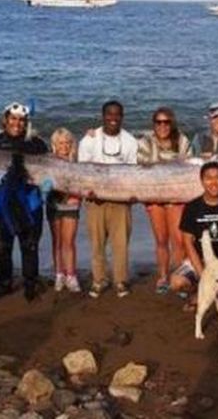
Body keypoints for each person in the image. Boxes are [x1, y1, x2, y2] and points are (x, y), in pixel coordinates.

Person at [0, 102, 49, 301]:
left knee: (30, 245)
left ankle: (30, 283)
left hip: (28, 201)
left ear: (26, 122)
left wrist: (45, 187)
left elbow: (48, 175)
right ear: (5, 120)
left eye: (21, 120)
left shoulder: (37, 144)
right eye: (13, 119)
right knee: (0, 247)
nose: (17, 123)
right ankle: (4, 283)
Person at [170, 161, 218, 309]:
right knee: (177, 282)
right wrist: (203, 276)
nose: (213, 182)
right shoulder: (192, 207)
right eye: (208, 178)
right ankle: (198, 292)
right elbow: (188, 242)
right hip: (201, 261)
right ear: (202, 181)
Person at [78, 100, 138, 298]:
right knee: (97, 243)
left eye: (117, 114)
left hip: (121, 200)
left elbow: (133, 172)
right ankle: (99, 279)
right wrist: (88, 190)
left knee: (120, 244)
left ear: (122, 117)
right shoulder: (89, 139)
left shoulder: (130, 141)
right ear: (103, 116)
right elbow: (82, 169)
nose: (113, 118)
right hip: (95, 200)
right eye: (109, 114)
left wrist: (132, 194)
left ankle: (120, 280)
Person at [137, 107, 192, 294]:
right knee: (161, 239)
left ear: (172, 123)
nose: (163, 126)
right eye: (158, 122)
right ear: (154, 124)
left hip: (176, 196)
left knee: (179, 240)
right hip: (154, 196)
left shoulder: (182, 141)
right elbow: (141, 169)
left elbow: (189, 167)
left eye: (166, 122)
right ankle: (162, 276)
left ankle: (179, 277)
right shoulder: (145, 142)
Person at [47, 128, 81, 293]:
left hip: (72, 204)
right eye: (61, 143)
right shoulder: (48, 161)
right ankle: (59, 274)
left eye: (68, 142)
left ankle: (71, 275)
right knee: (57, 241)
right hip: (53, 204)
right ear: (54, 144)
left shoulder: (76, 163)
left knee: (69, 242)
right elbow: (44, 184)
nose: (64, 146)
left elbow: (82, 184)